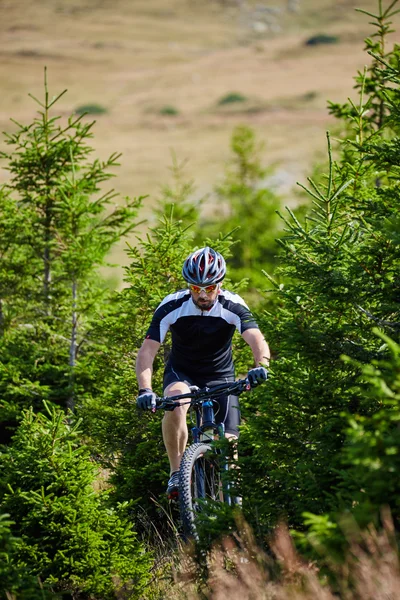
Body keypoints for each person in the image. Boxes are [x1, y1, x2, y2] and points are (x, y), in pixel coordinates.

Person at [135, 247, 270, 499]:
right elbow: (147, 351)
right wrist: (145, 389)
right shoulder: (172, 305)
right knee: (175, 403)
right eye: (196, 288)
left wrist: (261, 366)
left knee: (230, 445)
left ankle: (232, 507)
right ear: (189, 286)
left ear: (219, 285)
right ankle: (177, 472)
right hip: (182, 372)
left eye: (209, 288)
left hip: (220, 376)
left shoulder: (232, 305)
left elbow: (256, 339)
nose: (203, 294)